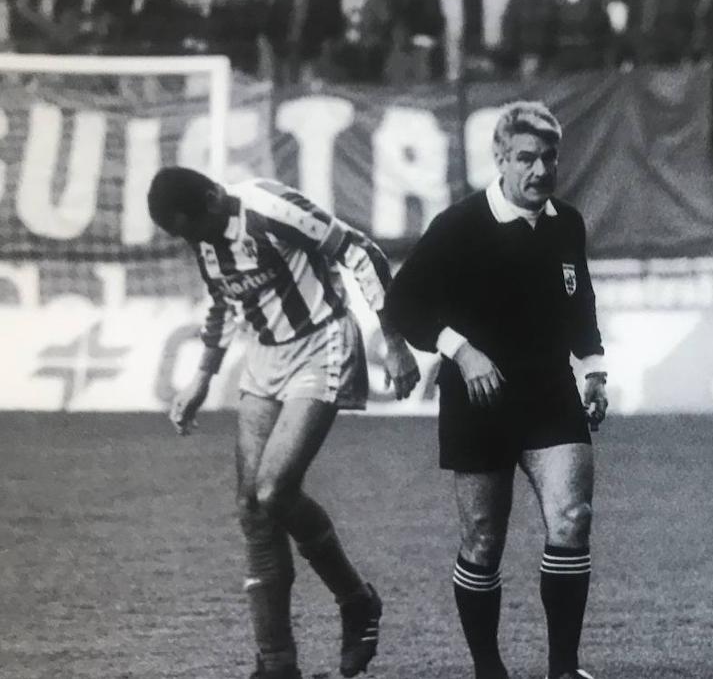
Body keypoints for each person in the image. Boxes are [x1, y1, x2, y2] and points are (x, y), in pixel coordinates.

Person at [146, 167, 421, 679]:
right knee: (252, 507)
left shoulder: (270, 207)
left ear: (213, 198)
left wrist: (395, 340)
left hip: (322, 344)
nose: (195, 241)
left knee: (274, 490)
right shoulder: (203, 234)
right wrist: (202, 378)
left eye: (194, 229)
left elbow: (360, 250)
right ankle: (277, 665)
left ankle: (356, 601)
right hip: (265, 359)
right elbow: (225, 300)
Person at [384, 101, 608, 679]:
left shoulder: (568, 223)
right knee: (483, 540)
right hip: (477, 405)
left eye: (549, 158)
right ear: (500, 159)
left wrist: (595, 371)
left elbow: (579, 305)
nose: (540, 170)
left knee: (572, 517)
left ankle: (563, 668)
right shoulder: (459, 226)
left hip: (550, 395)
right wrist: (460, 349)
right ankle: (489, 668)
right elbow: (403, 304)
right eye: (527, 158)